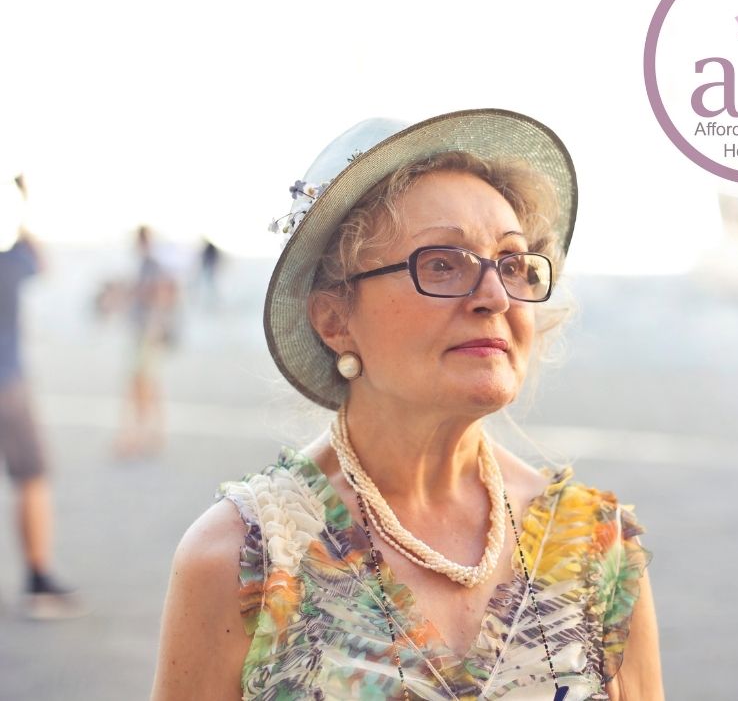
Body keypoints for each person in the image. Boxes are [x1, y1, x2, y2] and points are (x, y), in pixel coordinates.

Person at [152, 110, 664, 700]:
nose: (495, 297)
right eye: (443, 263)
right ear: (335, 319)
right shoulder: (248, 560)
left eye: (513, 264)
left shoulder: (597, 551)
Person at [0, 175, 84, 619]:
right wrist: (24, 201)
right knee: (32, 475)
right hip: (6, 383)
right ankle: (37, 577)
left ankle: (38, 577)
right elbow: (38, 257)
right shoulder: (12, 261)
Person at [113, 225, 179, 458]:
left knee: (140, 385)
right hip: (144, 333)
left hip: (146, 334)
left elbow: (161, 298)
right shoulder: (147, 265)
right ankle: (153, 433)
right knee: (148, 385)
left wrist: (154, 329)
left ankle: (137, 435)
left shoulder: (151, 266)